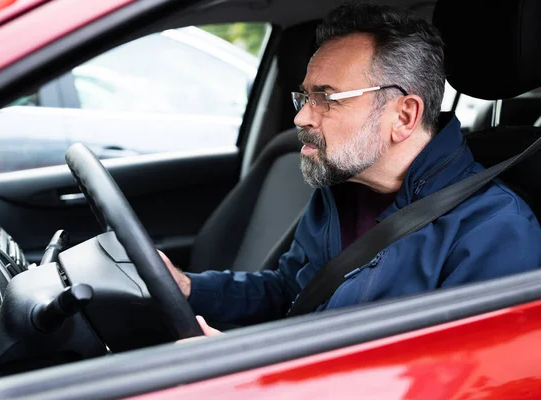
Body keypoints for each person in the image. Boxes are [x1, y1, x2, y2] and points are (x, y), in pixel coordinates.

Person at [162, 2, 541, 331]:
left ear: (404, 116)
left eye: (327, 98)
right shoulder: (342, 187)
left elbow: (459, 380)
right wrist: (191, 289)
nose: (302, 118)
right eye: (305, 97)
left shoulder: (496, 231)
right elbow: (291, 292)